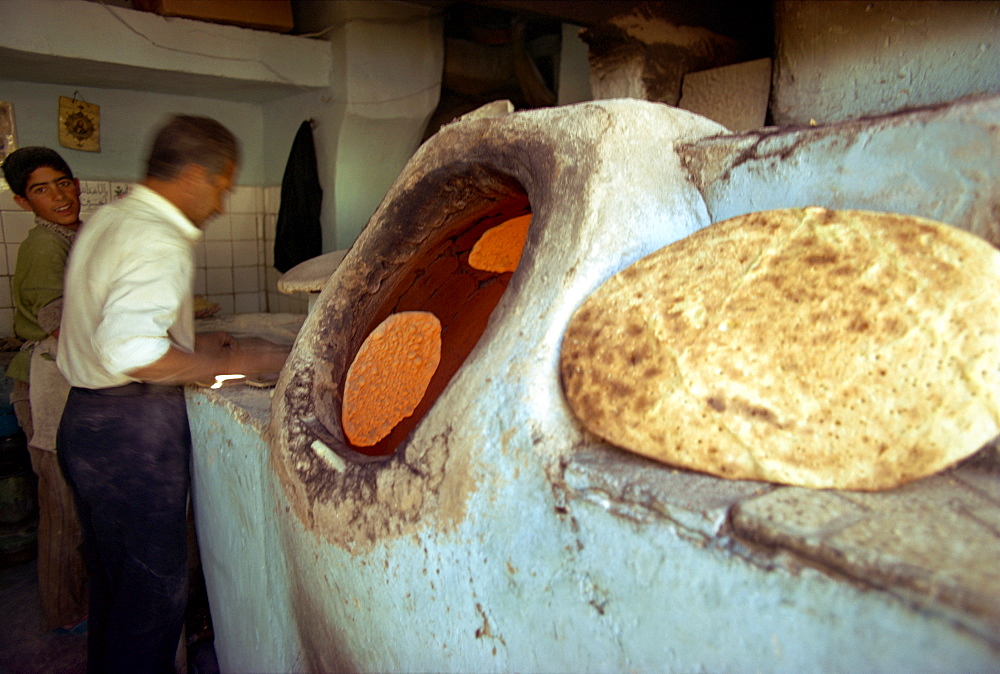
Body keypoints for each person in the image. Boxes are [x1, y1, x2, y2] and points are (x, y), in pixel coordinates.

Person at [56, 114, 289, 672]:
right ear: (192, 175)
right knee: (154, 598)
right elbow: (132, 352)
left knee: (116, 586)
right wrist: (230, 361)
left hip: (85, 424)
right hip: (130, 438)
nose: (221, 204)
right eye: (221, 187)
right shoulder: (159, 236)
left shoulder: (114, 217)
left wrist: (195, 339)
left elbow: (103, 323)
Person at [1, 146, 88, 633]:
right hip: (48, 380)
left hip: (73, 376)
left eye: (63, 181)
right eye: (41, 189)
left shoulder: (76, 235)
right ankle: (65, 612)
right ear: (21, 200)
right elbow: (61, 324)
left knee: (79, 500)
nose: (58, 195)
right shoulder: (43, 245)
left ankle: (82, 601)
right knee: (63, 505)